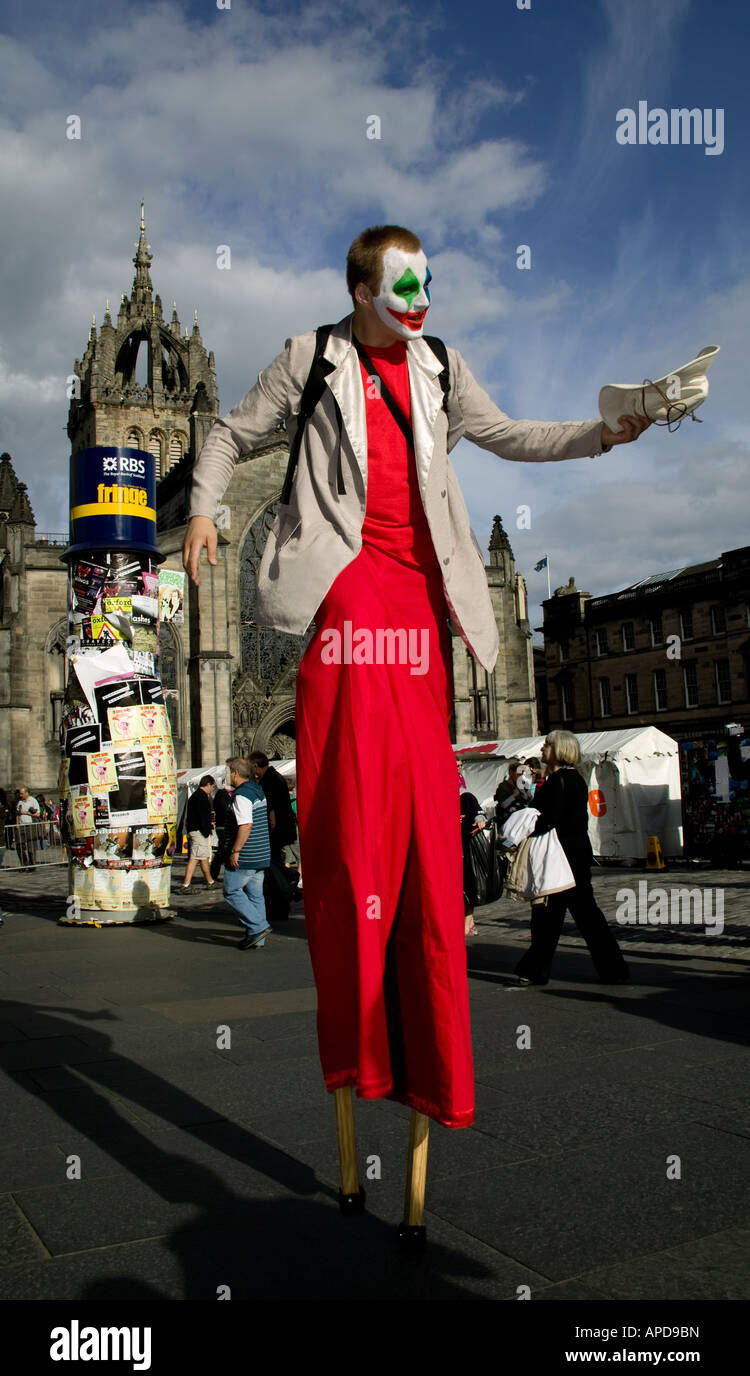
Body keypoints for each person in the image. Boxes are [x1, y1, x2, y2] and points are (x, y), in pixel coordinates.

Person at [182, 224, 649, 1129]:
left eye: (426, 279)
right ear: (361, 291)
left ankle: (425, 985)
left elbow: (513, 435)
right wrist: (202, 510)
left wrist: (604, 433)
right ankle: (356, 965)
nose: (419, 294)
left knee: (428, 804)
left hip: (420, 599)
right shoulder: (310, 356)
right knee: (356, 802)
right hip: (347, 587)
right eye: (401, 283)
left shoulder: (441, 365)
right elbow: (226, 435)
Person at [514, 730, 630, 986]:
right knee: (583, 916)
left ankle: (536, 969)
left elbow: (548, 819)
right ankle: (613, 968)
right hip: (574, 854)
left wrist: (524, 823)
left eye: (547, 746)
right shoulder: (572, 778)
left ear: (558, 750)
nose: (542, 750)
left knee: (550, 916)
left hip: (560, 856)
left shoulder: (559, 781)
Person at [222, 756, 272, 950]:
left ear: (235, 773)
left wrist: (236, 850)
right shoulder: (257, 790)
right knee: (255, 895)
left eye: (228, 771)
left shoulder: (242, 795)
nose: (227, 775)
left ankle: (258, 926)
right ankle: (257, 938)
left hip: (247, 854)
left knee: (232, 890)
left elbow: (246, 825)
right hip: (261, 852)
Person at [249, 751, 297, 921]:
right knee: (273, 867)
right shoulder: (277, 776)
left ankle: (287, 888)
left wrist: (266, 835)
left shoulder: (268, 780)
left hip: (276, 832)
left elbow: (271, 814)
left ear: (256, 766)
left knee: (272, 870)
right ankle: (281, 903)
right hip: (284, 830)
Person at [176, 774, 216, 893]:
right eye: (212, 786)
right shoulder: (201, 797)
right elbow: (203, 817)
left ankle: (210, 881)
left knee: (202, 857)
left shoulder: (196, 796)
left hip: (196, 830)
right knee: (195, 858)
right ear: (208, 784)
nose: (213, 789)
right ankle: (186, 884)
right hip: (199, 831)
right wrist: (206, 830)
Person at [460, 788, 486, 937]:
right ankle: (467, 921)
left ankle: (468, 921)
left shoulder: (466, 798)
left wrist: (480, 820)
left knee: (468, 887)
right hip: (450, 853)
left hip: (467, 852)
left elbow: (479, 814)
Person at [209, 781, 232, 883]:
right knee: (223, 850)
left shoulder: (228, 794)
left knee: (223, 850)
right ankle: (214, 873)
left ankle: (215, 873)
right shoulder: (222, 794)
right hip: (223, 826)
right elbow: (226, 809)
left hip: (226, 826)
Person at [16, 786, 40, 869]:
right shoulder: (20, 802)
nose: (20, 795)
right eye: (20, 793)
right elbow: (17, 814)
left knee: (31, 848)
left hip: (30, 825)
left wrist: (26, 812)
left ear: (27, 793)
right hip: (21, 826)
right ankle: (24, 864)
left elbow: (37, 814)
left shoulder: (33, 801)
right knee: (19, 847)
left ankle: (32, 865)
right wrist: (17, 825)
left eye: (22, 793)